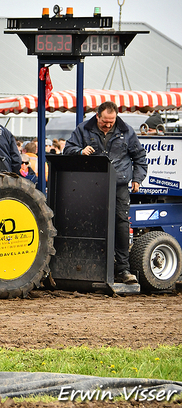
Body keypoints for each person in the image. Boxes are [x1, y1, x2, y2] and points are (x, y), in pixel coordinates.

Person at [64, 101, 148, 284]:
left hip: (119, 185)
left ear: (116, 117)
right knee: (91, 222)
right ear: (97, 116)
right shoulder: (83, 129)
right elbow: (67, 149)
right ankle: (92, 265)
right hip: (92, 185)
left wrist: (137, 179)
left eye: (112, 121)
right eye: (105, 122)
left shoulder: (127, 132)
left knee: (121, 224)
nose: (108, 125)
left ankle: (123, 269)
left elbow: (140, 157)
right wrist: (79, 151)